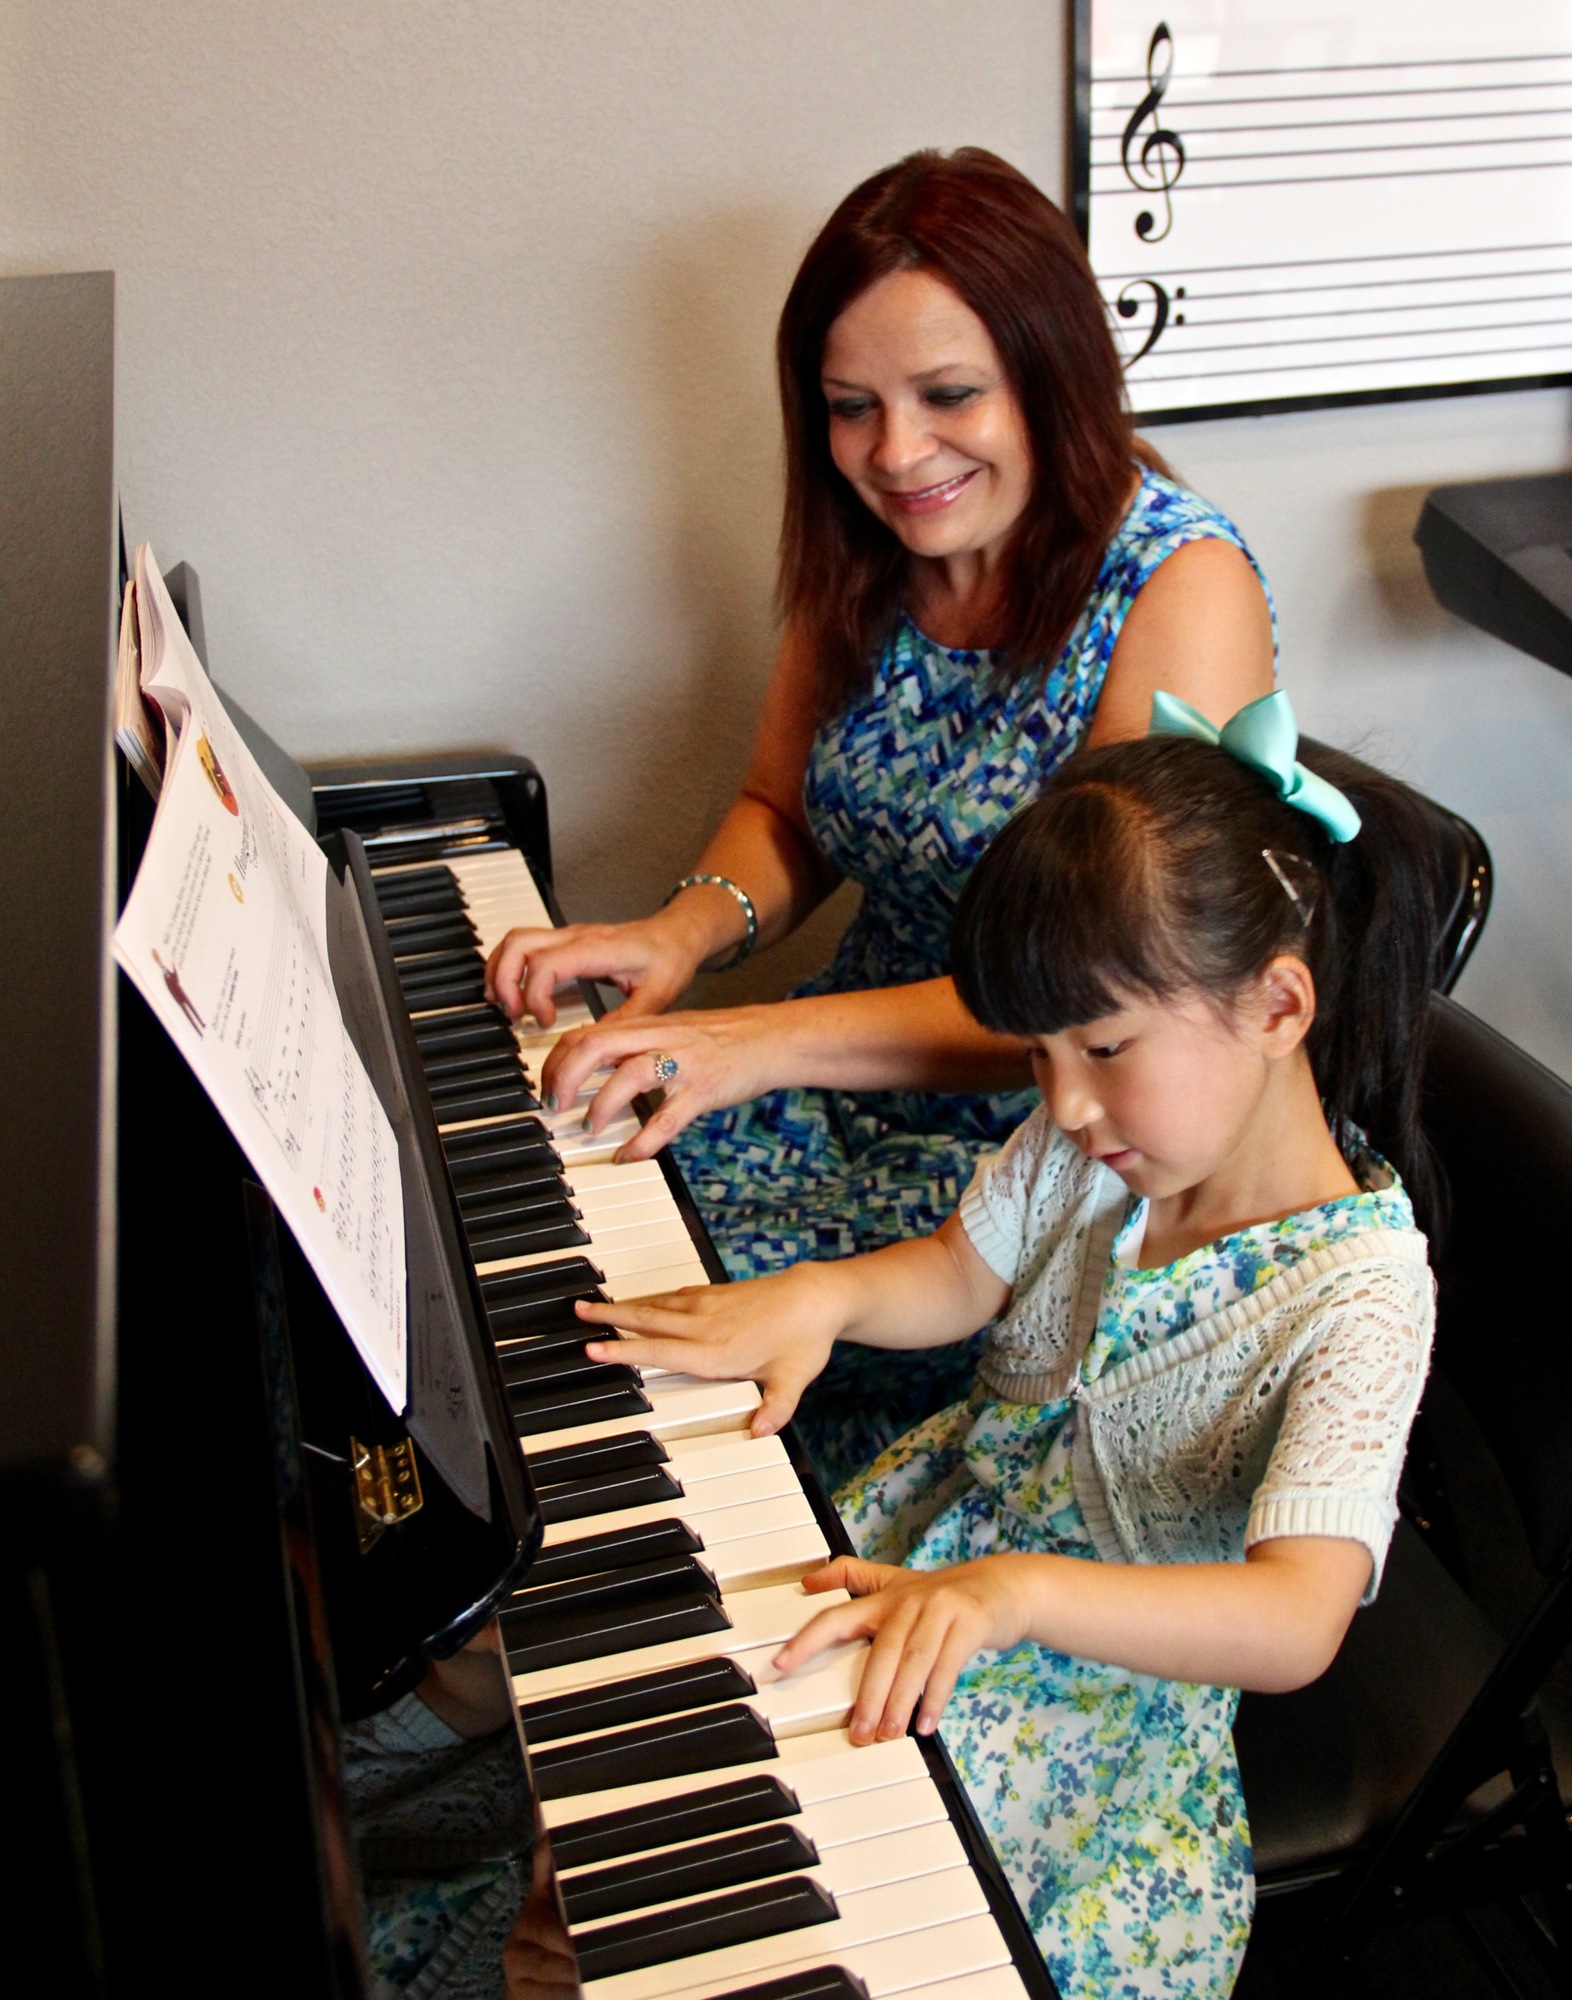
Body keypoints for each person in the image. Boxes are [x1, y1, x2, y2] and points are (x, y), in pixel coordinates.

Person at [570, 695, 1442, 1999]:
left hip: (1096, 1710)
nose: (1063, 1101)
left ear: (1277, 1006)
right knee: (633, 1785)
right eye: (1038, 1054)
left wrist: (1018, 1593)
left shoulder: (1363, 1292)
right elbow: (960, 1274)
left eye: (1099, 1047)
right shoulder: (1107, 1138)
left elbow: (1295, 1616)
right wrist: (822, 1297)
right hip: (928, 1548)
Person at [486, 147, 1277, 1490]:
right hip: (846, 1072)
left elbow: (1089, 1002)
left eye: (949, 395)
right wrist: (684, 938)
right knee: (537, 1170)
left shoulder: (1178, 590)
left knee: (603, 1320)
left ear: (1055, 376)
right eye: (853, 408)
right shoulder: (875, 550)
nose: (897, 453)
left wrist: (746, 1046)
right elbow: (781, 811)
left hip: (1047, 1144)